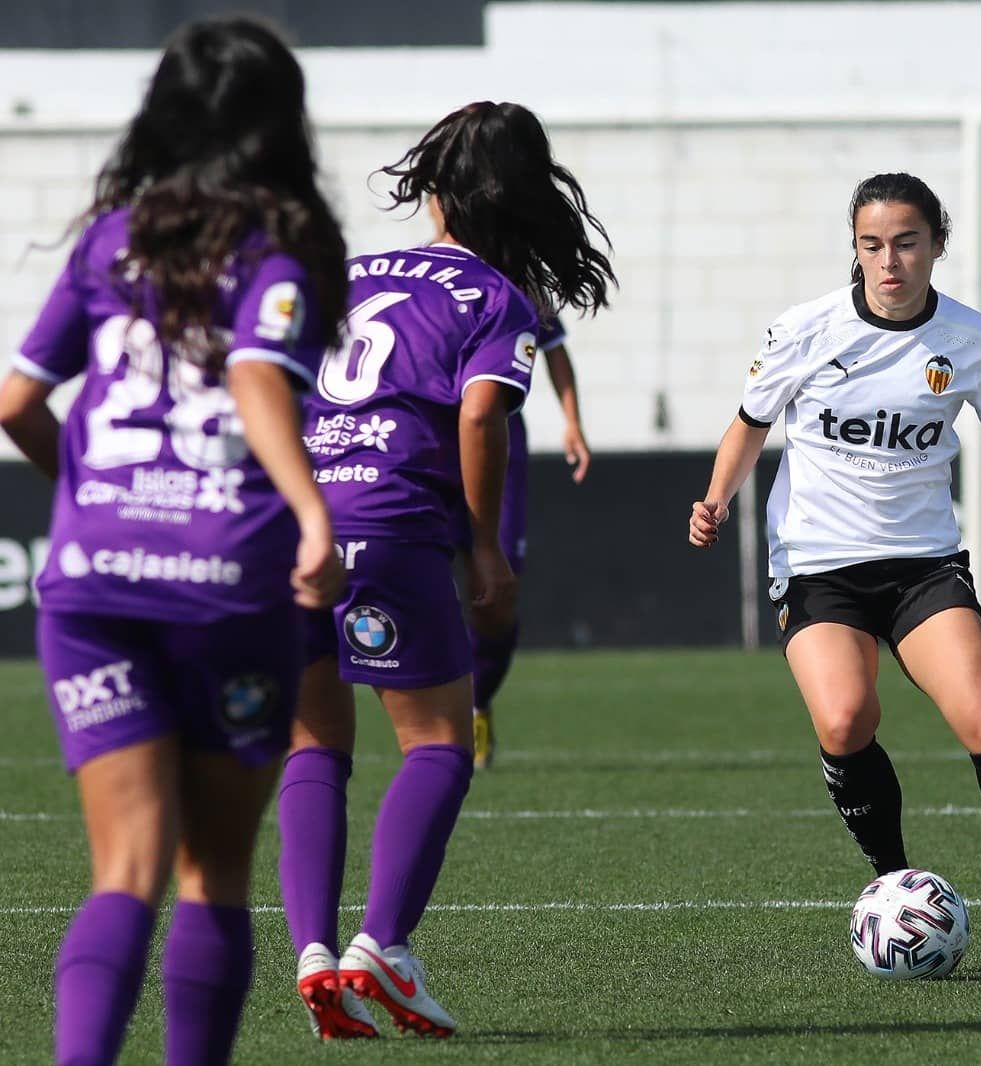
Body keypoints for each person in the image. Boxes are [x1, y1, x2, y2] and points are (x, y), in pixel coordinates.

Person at [0, 17, 347, 1064]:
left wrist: (94, 502)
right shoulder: (280, 249)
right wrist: (313, 512)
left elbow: (16, 403)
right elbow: (255, 373)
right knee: (212, 874)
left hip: (95, 585)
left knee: (125, 870)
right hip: (225, 579)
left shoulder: (112, 238)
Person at [689, 172, 981, 973]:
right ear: (855, 248)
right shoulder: (805, 329)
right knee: (845, 720)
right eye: (871, 245)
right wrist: (715, 499)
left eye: (905, 243)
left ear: (936, 245)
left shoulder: (973, 340)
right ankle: (894, 888)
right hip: (819, 565)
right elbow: (748, 425)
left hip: (923, 564)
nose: (888, 261)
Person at [277, 100, 615, 1039]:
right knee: (437, 743)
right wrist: (484, 545)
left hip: (296, 527)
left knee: (313, 746)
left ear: (436, 194)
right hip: (391, 524)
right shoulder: (496, 296)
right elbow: (479, 416)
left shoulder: (348, 273)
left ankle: (315, 954)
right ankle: (381, 945)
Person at [470, 309, 590, 770]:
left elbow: (554, 348)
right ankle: (438, 713)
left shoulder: (519, 283)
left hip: (499, 441)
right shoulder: (418, 277)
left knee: (498, 589)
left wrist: (572, 421)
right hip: (428, 438)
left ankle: (477, 701)